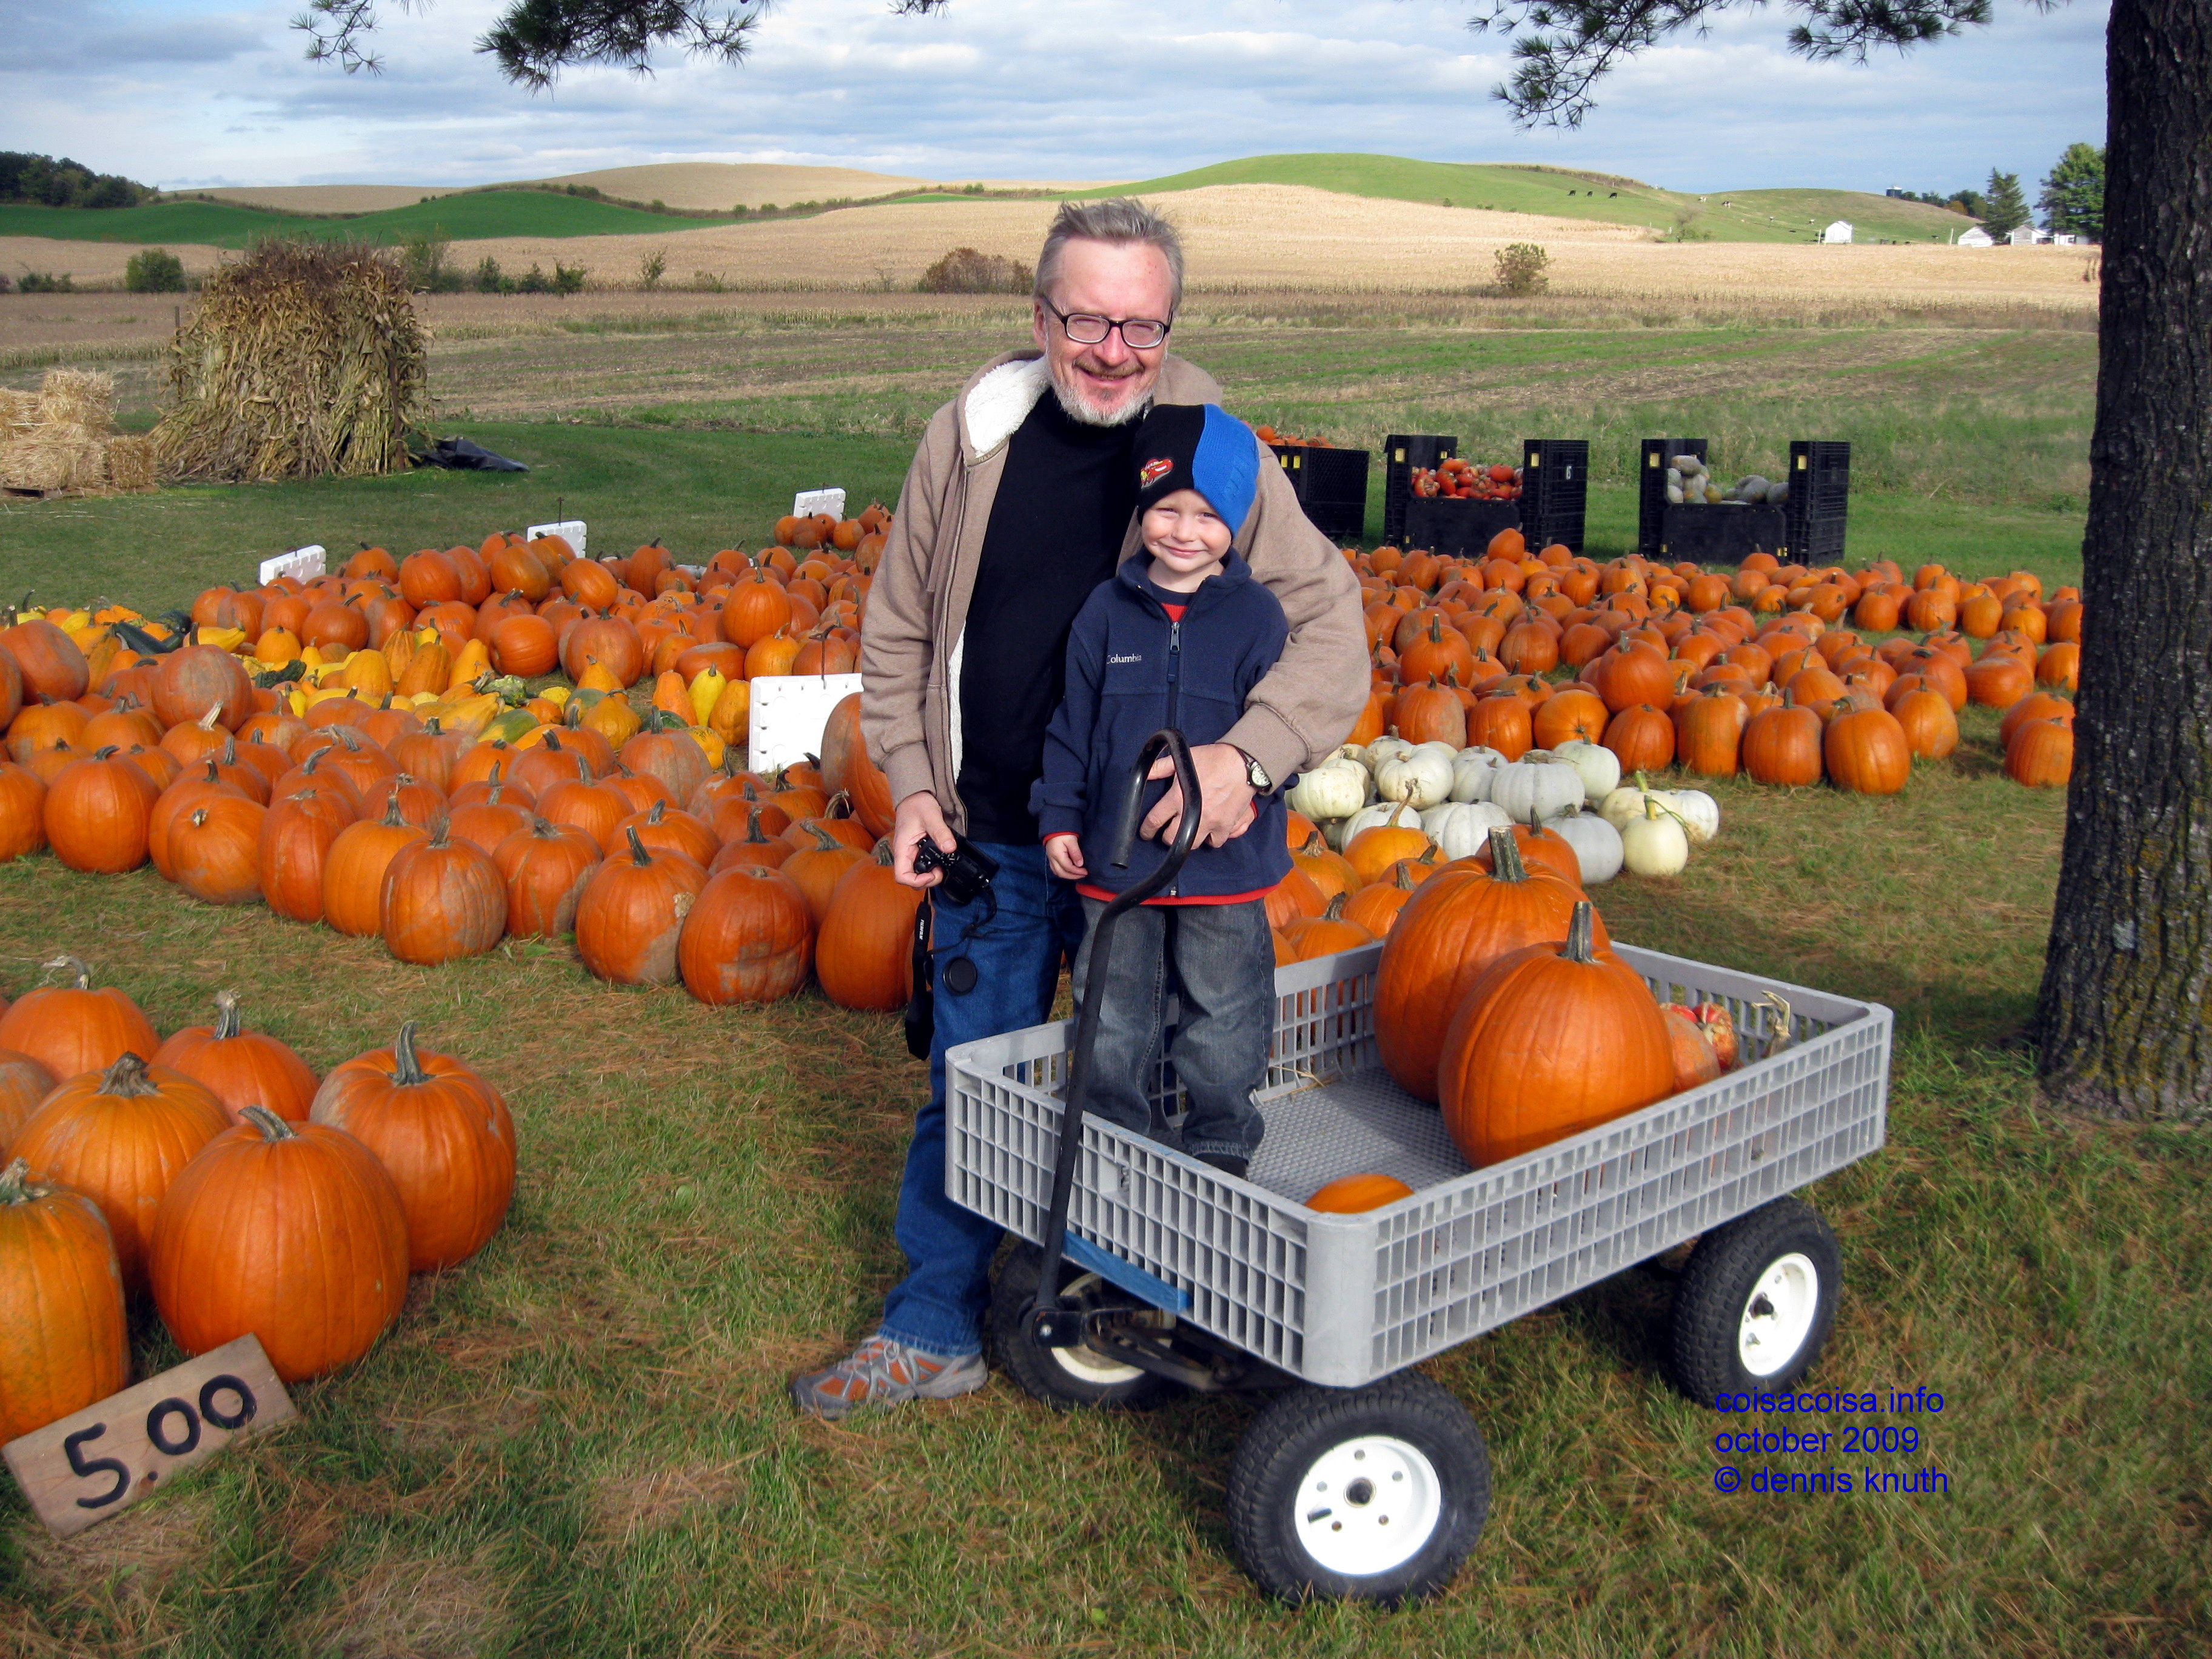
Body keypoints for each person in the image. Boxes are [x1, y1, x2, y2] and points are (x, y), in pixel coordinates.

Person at [791, 198, 1367, 1419]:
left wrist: (1245, 759)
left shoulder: (1212, 447)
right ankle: (934, 1319)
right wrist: (909, 782)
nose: (1114, 350)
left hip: (1152, 856)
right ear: (1039, 314)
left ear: (1169, 323)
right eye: (1088, 319)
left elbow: (1331, 628)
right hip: (991, 834)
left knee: (1159, 1075)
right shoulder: (972, 436)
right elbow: (898, 629)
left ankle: (1131, 1298)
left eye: (1141, 324)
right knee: (976, 1077)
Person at [1034, 402, 1290, 1180]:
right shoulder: (1106, 614)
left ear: (1237, 523)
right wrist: (1058, 817)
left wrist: (1254, 783)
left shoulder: (1258, 620)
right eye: (1166, 509)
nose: (1184, 531)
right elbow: (1071, 727)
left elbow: (1282, 742)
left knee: (1225, 1008)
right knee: (1112, 1009)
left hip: (1223, 863)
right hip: (1117, 862)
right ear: (1142, 507)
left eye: (1208, 515)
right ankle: (1114, 1129)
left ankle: (1220, 1130)